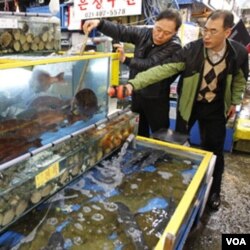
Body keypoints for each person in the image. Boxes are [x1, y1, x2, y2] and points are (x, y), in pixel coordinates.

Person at [116, 10, 249, 210]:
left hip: (215, 108)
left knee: (215, 151)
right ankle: (176, 188)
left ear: (227, 32)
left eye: (213, 31)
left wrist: (234, 101)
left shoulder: (238, 53)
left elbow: (240, 79)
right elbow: (161, 70)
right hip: (189, 106)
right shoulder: (191, 50)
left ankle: (213, 192)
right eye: (205, 30)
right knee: (178, 148)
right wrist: (132, 85)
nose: (207, 36)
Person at [83, 9, 182, 137]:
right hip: (137, 94)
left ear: (175, 32)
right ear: (154, 23)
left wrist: (126, 60)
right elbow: (122, 31)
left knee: (160, 135)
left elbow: (150, 65)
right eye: (158, 29)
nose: (160, 35)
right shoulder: (145, 33)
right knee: (137, 132)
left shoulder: (175, 46)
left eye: (167, 33)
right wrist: (100, 23)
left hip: (156, 98)